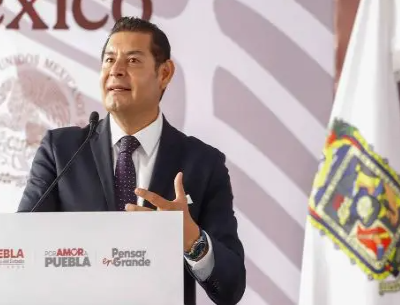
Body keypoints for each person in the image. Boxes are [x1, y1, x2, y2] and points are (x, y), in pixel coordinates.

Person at [17, 16, 246, 305]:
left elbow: (230, 288)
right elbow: (20, 248)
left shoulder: (203, 163)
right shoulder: (61, 151)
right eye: (109, 60)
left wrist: (191, 239)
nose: (116, 70)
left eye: (133, 60)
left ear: (164, 73)